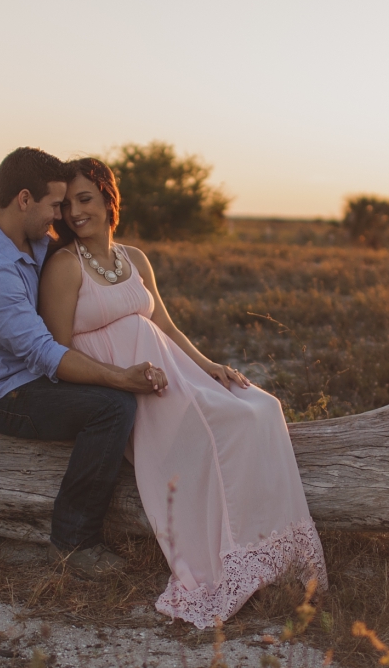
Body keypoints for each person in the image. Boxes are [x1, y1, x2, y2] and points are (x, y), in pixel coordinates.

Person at [38, 157, 327, 627]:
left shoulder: (135, 258)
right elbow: (58, 350)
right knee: (232, 427)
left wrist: (210, 367)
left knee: (263, 409)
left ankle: (270, 556)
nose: (74, 213)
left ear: (109, 200)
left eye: (85, 199)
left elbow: (164, 325)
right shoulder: (64, 268)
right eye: (67, 204)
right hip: (128, 388)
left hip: (173, 374)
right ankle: (228, 564)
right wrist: (119, 379)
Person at [0, 147, 168, 580]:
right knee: (112, 407)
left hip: (30, 375)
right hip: (2, 393)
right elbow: (45, 353)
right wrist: (118, 378)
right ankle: (73, 541)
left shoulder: (30, 241)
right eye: (55, 205)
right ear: (25, 200)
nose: (61, 216)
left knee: (116, 399)